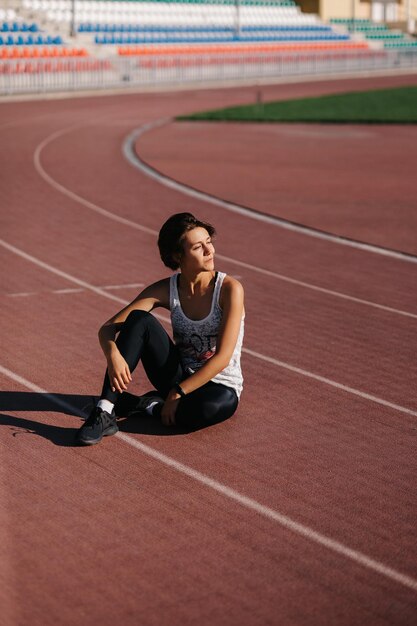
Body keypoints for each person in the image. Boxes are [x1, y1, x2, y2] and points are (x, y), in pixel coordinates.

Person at [76, 212, 245, 445]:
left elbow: (223, 358)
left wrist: (178, 392)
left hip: (218, 385)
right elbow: (107, 329)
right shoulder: (166, 290)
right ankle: (104, 411)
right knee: (139, 320)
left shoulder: (229, 289)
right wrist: (112, 354)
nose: (210, 251)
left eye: (209, 243)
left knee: (207, 410)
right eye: (198, 247)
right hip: (178, 374)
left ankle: (150, 406)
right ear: (178, 255)